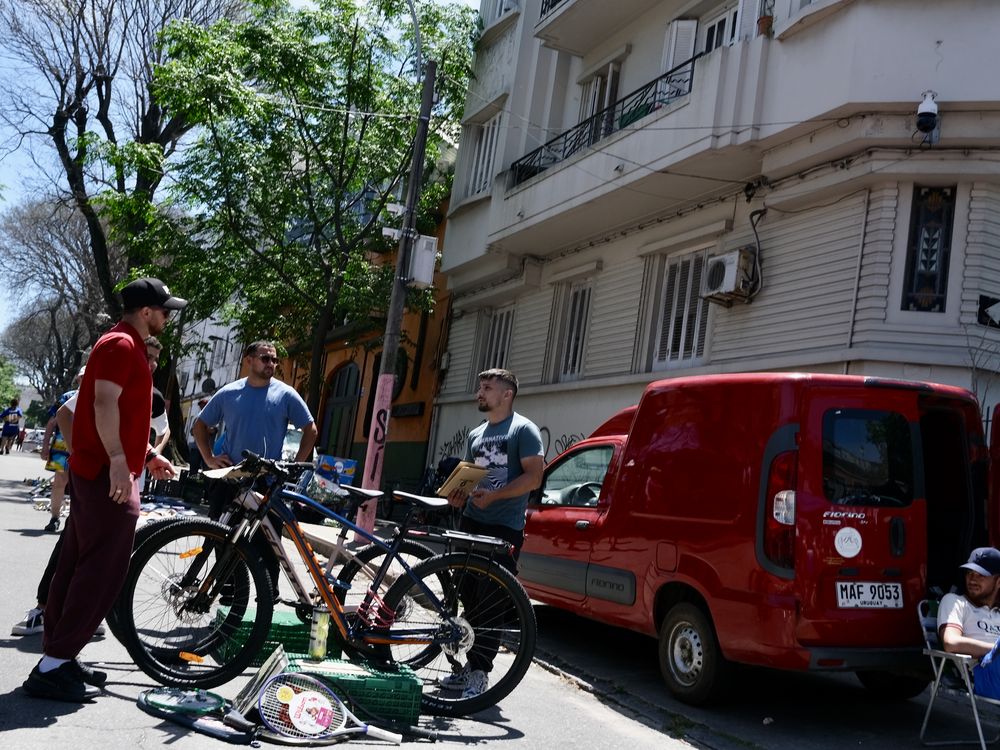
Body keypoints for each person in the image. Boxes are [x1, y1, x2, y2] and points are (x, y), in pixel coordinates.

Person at [21, 277, 182, 703]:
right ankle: (54, 664)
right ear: (145, 311)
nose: (168, 317)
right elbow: (102, 404)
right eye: (164, 310)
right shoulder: (121, 345)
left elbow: (121, 414)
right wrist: (116, 460)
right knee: (100, 573)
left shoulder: (125, 345)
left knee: (78, 565)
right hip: (105, 478)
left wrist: (147, 454)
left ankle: (58, 658)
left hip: (102, 473)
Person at [12, 339, 165, 638]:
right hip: (99, 480)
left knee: (103, 557)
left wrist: (152, 454)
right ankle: (45, 612)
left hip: (126, 484)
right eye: (147, 355)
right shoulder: (112, 381)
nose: (151, 363)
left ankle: (81, 621)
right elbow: (65, 415)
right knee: (74, 546)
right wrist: (79, 455)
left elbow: (161, 427)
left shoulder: (149, 390)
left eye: (156, 358)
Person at [441, 368, 544, 699]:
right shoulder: (476, 434)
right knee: (468, 596)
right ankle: (465, 668)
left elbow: (534, 478)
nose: (480, 393)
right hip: (471, 522)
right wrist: (457, 496)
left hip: (504, 528)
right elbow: (468, 477)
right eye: (480, 387)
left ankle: (480, 674)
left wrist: (496, 496)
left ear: (507, 394)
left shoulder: (523, 430)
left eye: (487, 387)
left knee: (491, 602)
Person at [193, 340, 318, 596]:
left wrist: (295, 465)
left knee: (269, 545)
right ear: (249, 360)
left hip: (268, 482)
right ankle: (229, 595)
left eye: (274, 360)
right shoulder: (229, 393)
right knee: (223, 538)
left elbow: (310, 429)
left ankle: (268, 598)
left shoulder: (285, 394)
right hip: (232, 478)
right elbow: (199, 426)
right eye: (265, 358)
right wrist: (209, 458)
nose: (271, 364)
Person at [938, 547, 1000, 698]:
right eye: (969, 573)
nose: (972, 579)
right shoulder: (955, 602)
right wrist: (995, 650)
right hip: (982, 673)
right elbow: (951, 642)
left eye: (981, 575)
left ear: (998, 581)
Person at [40, 370, 85, 533]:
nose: (84, 380)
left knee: (81, 486)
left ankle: (76, 523)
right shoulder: (67, 397)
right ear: (78, 379)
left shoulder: (97, 397)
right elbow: (52, 423)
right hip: (61, 447)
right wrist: (45, 446)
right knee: (59, 482)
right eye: (82, 377)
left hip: (84, 447)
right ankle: (54, 518)